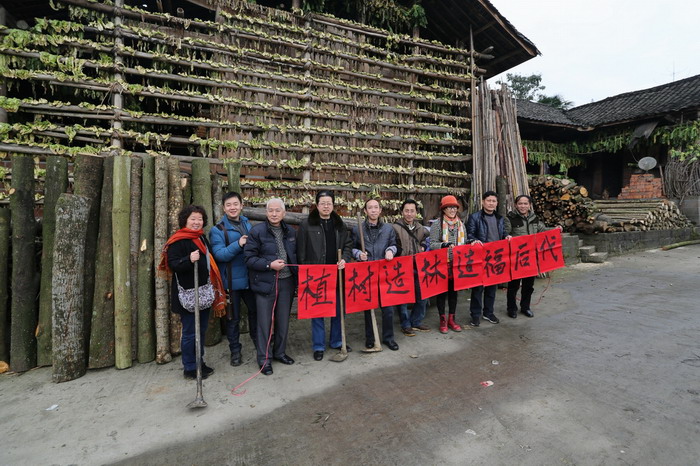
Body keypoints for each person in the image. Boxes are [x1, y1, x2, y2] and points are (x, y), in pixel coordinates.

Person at [158, 205, 226, 380]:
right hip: (188, 295)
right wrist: (188, 259)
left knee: (201, 330)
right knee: (190, 332)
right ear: (185, 220)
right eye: (193, 219)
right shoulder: (177, 240)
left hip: (203, 292)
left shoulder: (201, 237)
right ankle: (189, 367)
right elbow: (173, 264)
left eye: (200, 219)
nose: (197, 222)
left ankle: (199, 362)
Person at [244, 198, 297, 376]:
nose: (274, 214)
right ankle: (264, 359)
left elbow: (296, 255)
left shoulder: (290, 231)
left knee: (283, 320)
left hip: (287, 281)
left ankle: (280, 352)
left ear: (284, 213)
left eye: (277, 210)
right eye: (270, 210)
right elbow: (249, 259)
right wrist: (269, 265)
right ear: (266, 213)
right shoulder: (257, 231)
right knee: (264, 322)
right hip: (265, 282)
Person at [298, 191, 353, 361]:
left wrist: (344, 259)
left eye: (329, 203)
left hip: (337, 274)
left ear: (333, 205)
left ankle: (337, 341)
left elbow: (348, 245)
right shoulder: (307, 224)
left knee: (338, 310)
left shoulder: (339, 224)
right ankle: (318, 346)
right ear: (317, 205)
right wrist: (306, 271)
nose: (326, 206)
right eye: (323, 203)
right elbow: (301, 251)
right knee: (318, 311)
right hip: (316, 275)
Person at [210, 192, 257, 367]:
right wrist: (238, 244)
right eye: (228, 205)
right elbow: (219, 255)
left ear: (241, 205)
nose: (232, 207)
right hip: (231, 282)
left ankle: (260, 344)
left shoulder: (247, 224)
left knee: (256, 313)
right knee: (233, 319)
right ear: (223, 208)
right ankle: (235, 351)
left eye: (235, 204)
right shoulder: (217, 230)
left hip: (250, 280)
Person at [351, 198, 399, 351]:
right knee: (368, 308)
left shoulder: (388, 229)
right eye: (370, 207)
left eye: (376, 207)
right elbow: (351, 247)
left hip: (385, 274)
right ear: (365, 211)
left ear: (380, 210)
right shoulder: (358, 229)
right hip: (367, 274)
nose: (373, 210)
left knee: (388, 308)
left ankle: (389, 338)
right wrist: (358, 254)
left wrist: (391, 251)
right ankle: (370, 339)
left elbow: (394, 244)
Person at [504, 194, 562, 318]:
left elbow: (543, 231)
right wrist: (506, 237)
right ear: (516, 205)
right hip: (516, 258)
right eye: (520, 203)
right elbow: (505, 233)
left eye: (525, 203)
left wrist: (555, 230)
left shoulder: (534, 218)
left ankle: (525, 307)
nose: (523, 206)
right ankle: (511, 309)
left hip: (531, 257)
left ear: (529, 205)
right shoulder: (510, 218)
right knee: (513, 286)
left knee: (528, 285)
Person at [467, 191, 510, 327]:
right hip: (480, 257)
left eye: (493, 201)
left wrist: (507, 237)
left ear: (497, 203)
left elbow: (503, 233)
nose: (491, 203)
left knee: (492, 287)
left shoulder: (500, 218)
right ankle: (475, 315)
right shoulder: (475, 217)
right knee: (478, 288)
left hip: (495, 258)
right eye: (488, 200)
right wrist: (474, 240)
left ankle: (488, 312)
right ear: (483, 202)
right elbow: (470, 234)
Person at [429, 195, 467, 334]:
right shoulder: (437, 224)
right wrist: (444, 245)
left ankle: (452, 319)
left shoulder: (460, 224)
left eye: (454, 207)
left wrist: (471, 243)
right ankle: (442, 320)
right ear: (443, 209)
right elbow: (432, 244)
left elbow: (465, 242)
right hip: (442, 264)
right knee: (441, 293)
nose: (452, 210)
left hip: (456, 264)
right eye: (449, 207)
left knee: (453, 292)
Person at [393, 199, 430, 336]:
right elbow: (391, 244)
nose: (409, 214)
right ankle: (405, 324)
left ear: (416, 212)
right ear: (402, 212)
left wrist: (423, 246)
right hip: (402, 267)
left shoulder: (420, 228)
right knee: (403, 297)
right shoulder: (395, 228)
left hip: (418, 266)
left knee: (422, 295)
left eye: (412, 211)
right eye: (406, 211)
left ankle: (416, 321)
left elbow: (425, 241)